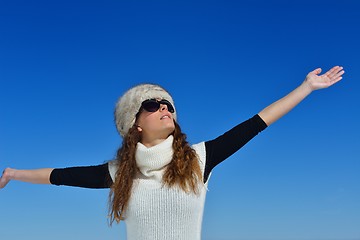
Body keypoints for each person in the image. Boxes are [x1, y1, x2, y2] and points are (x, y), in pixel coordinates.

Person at [0, 66, 344, 240]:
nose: (165, 107)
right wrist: (13, 174)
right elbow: (58, 177)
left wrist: (306, 88)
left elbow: (255, 124)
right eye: (153, 104)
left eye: (169, 104)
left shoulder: (198, 159)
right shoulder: (120, 172)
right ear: (134, 123)